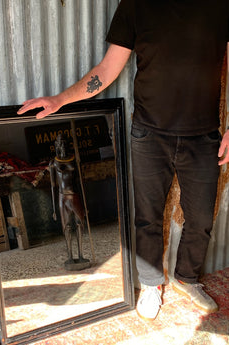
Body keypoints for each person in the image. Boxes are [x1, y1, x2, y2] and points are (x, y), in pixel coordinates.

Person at [18, 0, 229, 321]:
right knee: (148, 217)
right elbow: (106, 71)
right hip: (149, 134)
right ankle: (151, 285)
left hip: (203, 137)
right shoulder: (135, 5)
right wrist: (60, 99)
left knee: (201, 219)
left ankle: (187, 277)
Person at [49, 132, 90, 270]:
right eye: (60, 143)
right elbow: (53, 186)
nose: (62, 145)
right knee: (66, 227)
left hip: (75, 195)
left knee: (80, 224)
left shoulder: (74, 160)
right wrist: (54, 209)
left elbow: (80, 182)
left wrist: (85, 204)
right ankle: (70, 256)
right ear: (56, 145)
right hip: (62, 197)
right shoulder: (53, 163)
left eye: (64, 143)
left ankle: (81, 254)